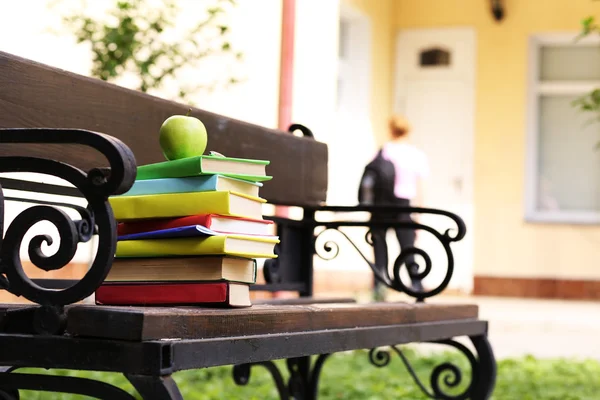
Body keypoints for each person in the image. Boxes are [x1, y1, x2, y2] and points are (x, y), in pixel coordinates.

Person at [359, 115, 429, 299]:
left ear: (391, 130)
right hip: (403, 206)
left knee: (380, 246)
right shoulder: (416, 155)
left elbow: (371, 179)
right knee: (408, 248)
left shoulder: (385, 151)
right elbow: (420, 189)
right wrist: (418, 215)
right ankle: (416, 286)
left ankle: (380, 288)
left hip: (381, 205)